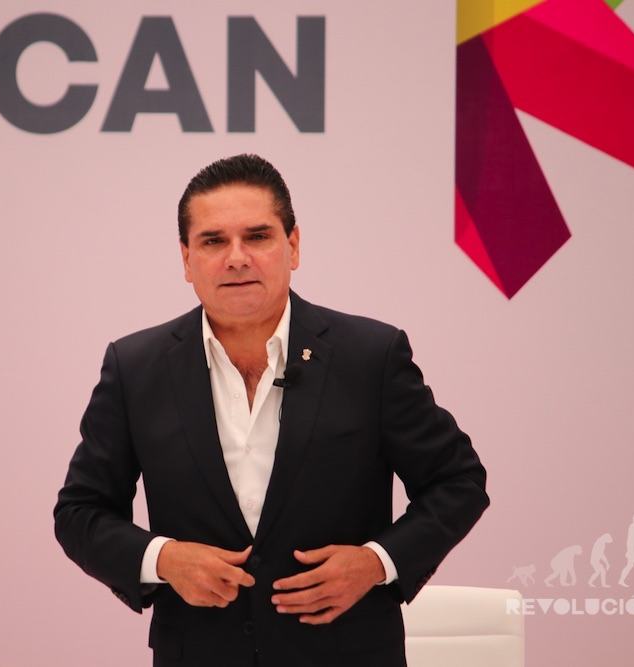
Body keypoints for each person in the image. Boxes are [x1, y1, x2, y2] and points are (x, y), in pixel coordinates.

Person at [53, 154, 489, 667]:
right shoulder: (135, 368)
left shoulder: (370, 356)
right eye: (213, 241)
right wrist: (162, 559)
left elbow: (457, 481)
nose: (236, 258)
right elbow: (80, 512)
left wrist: (377, 562)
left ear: (293, 245)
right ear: (186, 259)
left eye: (257, 236)